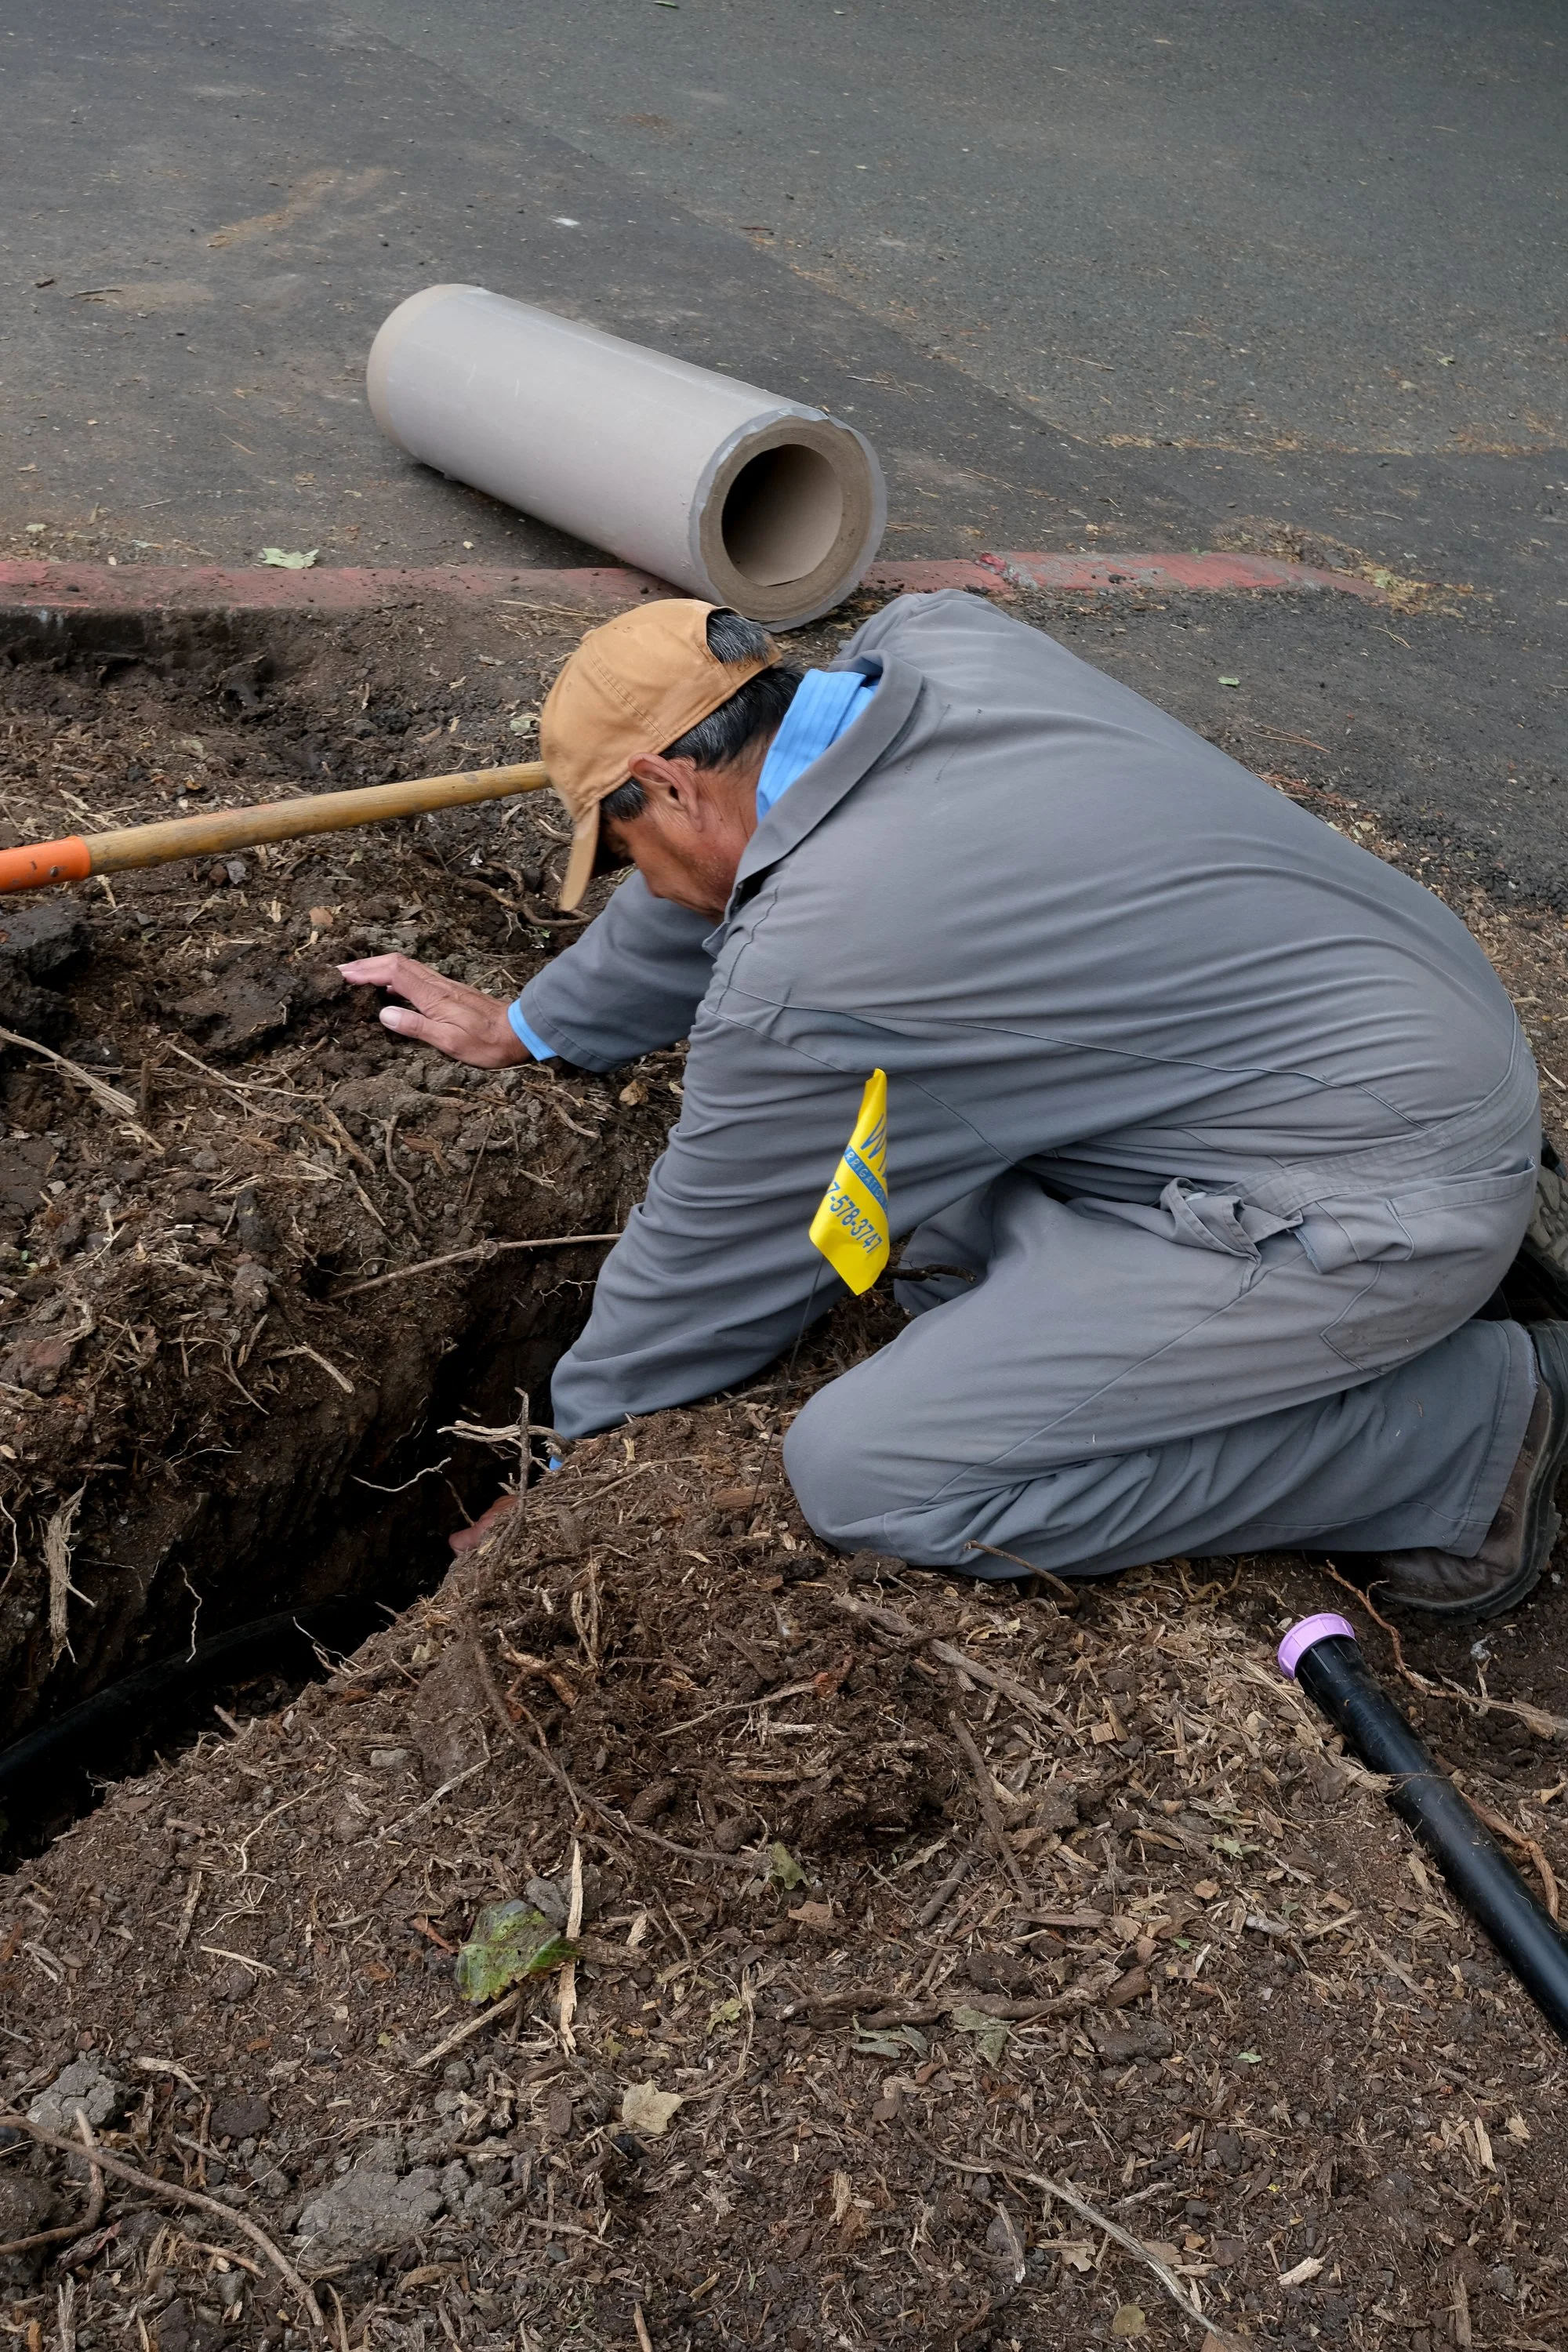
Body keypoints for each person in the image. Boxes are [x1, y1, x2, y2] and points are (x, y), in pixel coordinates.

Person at [341, 591, 1566, 1621]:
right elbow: (737, 869)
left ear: (668, 782)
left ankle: (1478, 1434)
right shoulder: (938, 645)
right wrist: (539, 1024)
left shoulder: (830, 957)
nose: (638, 890)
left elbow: (708, 1255)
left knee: (872, 1475)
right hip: (1391, 1053)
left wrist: (569, 1464)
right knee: (921, 1226)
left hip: (1377, 1193)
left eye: (621, 856)